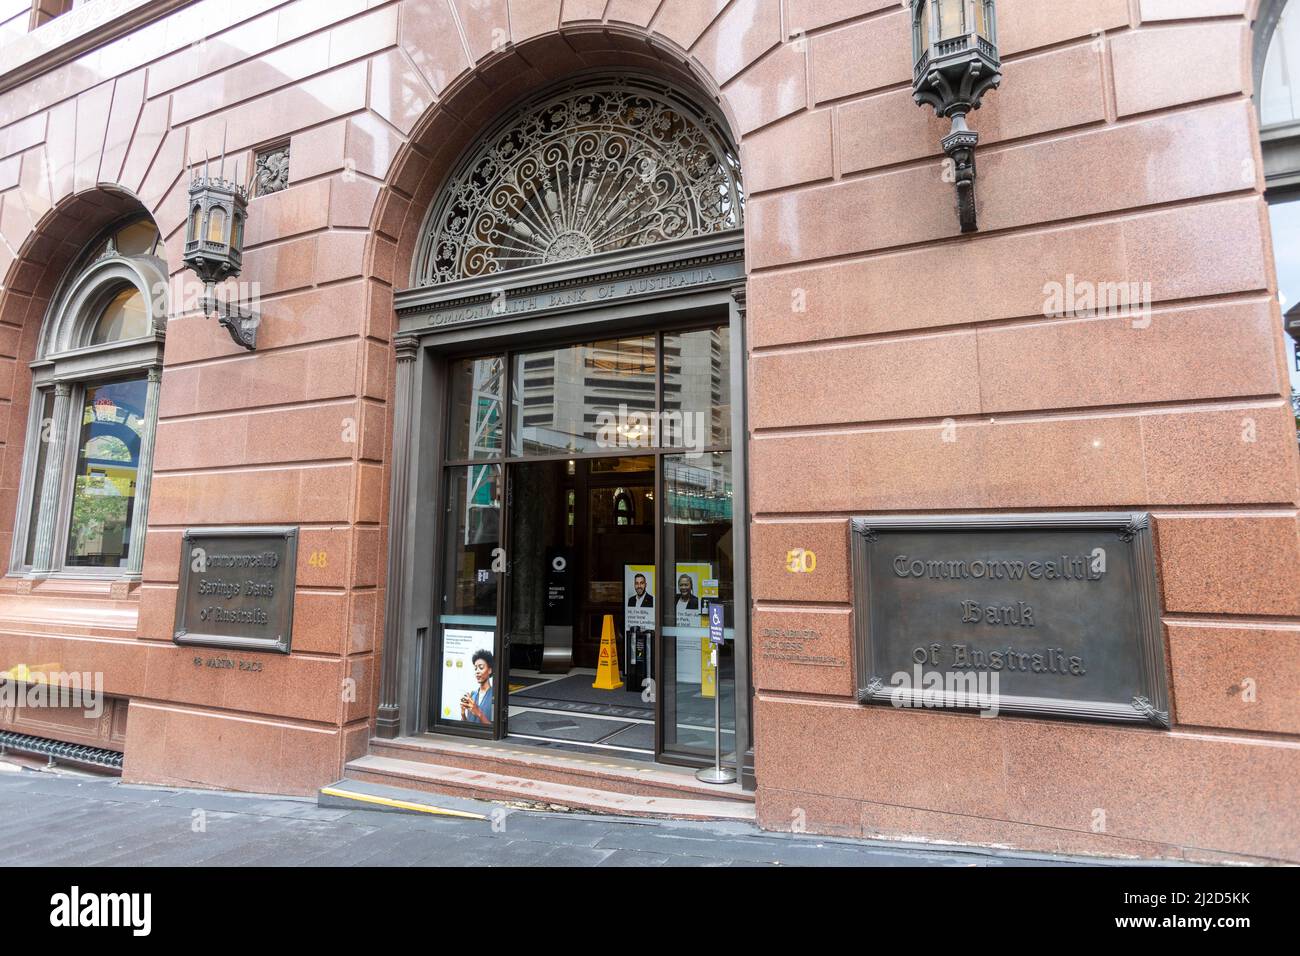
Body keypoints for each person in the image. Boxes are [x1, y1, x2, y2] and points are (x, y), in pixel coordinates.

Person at [460, 649, 493, 724]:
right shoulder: (472, 695)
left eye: (481, 667)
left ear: (490, 670)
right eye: (475, 668)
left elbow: (494, 729)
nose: (477, 671)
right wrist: (463, 713)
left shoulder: (494, 695)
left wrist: (478, 713)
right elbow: (467, 727)